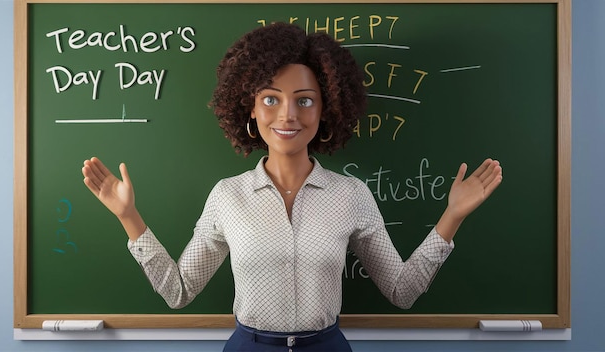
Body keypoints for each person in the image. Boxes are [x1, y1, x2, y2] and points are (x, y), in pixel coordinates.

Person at [82, 22, 502, 352]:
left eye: (304, 99)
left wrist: (452, 216)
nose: (287, 115)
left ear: (327, 109)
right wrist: (128, 216)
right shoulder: (227, 196)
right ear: (248, 105)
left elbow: (402, 291)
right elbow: (178, 291)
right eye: (270, 98)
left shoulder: (350, 195)